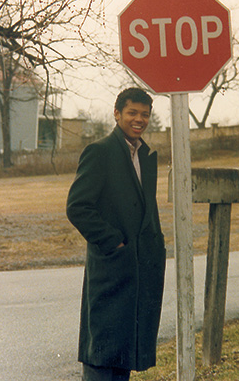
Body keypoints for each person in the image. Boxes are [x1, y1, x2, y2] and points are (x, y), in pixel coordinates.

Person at [66, 87, 166, 381]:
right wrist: (114, 242)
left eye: (145, 114)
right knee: (102, 354)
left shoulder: (145, 155)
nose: (139, 120)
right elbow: (77, 207)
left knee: (124, 352)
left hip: (138, 270)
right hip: (111, 268)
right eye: (132, 113)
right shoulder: (100, 151)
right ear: (117, 113)